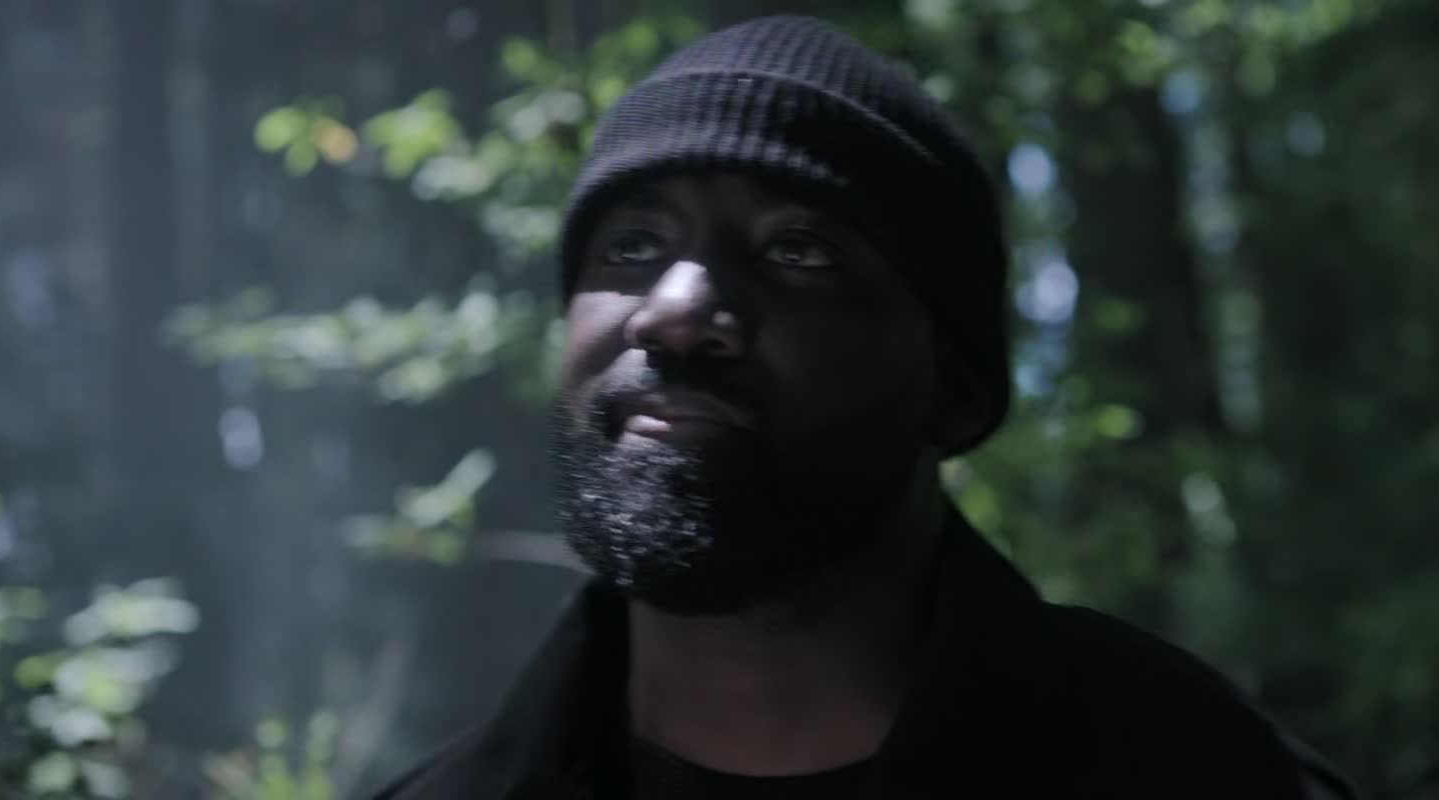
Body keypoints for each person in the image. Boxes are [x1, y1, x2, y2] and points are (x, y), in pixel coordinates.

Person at [374, 14, 1354, 800]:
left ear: (953, 389)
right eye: (631, 247)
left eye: (797, 251)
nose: (673, 312)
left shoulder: (1208, 774)